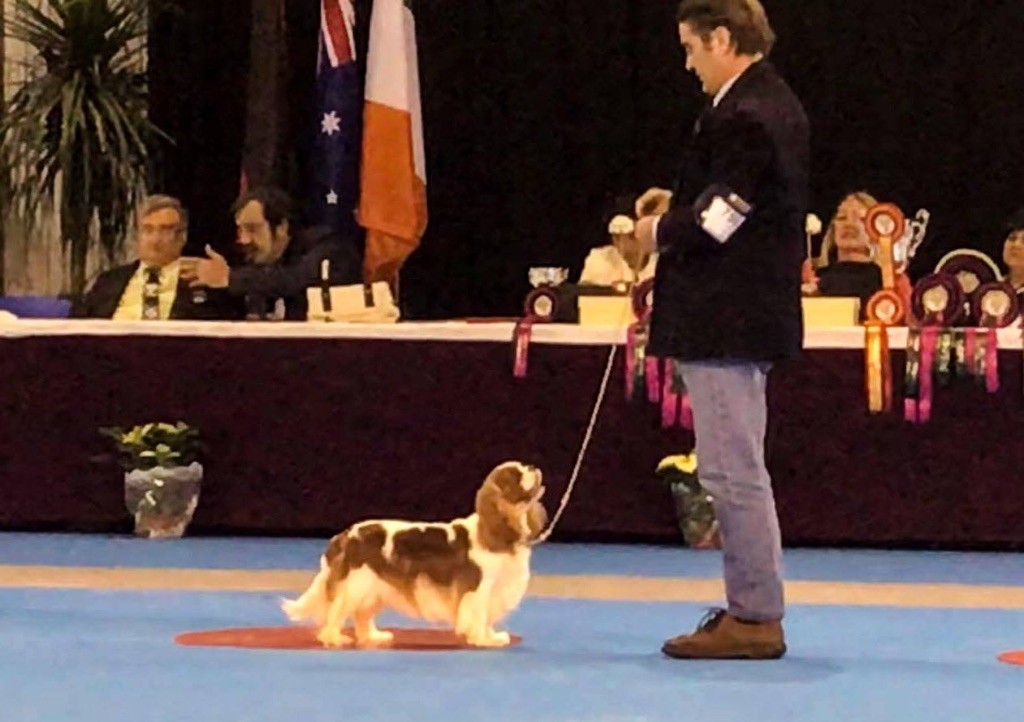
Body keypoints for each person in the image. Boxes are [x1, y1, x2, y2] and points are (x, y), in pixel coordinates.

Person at [633, 0, 809, 660]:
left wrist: (654, 230)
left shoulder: (748, 114)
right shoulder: (763, 103)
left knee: (732, 472)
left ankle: (755, 614)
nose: (687, 63)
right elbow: (729, 201)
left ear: (722, 38)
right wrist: (678, 206)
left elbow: (719, 221)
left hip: (727, 316)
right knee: (734, 467)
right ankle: (752, 606)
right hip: (740, 313)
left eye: (690, 47)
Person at [181, 187, 362, 320]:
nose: (244, 240)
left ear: (282, 227)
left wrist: (230, 278)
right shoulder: (250, 261)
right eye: (240, 230)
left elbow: (295, 279)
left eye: (253, 229)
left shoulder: (330, 248)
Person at [73, 195, 242, 320]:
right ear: (137, 236)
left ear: (182, 237)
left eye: (165, 230)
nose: (155, 239)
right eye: (148, 230)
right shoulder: (109, 281)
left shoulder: (201, 280)